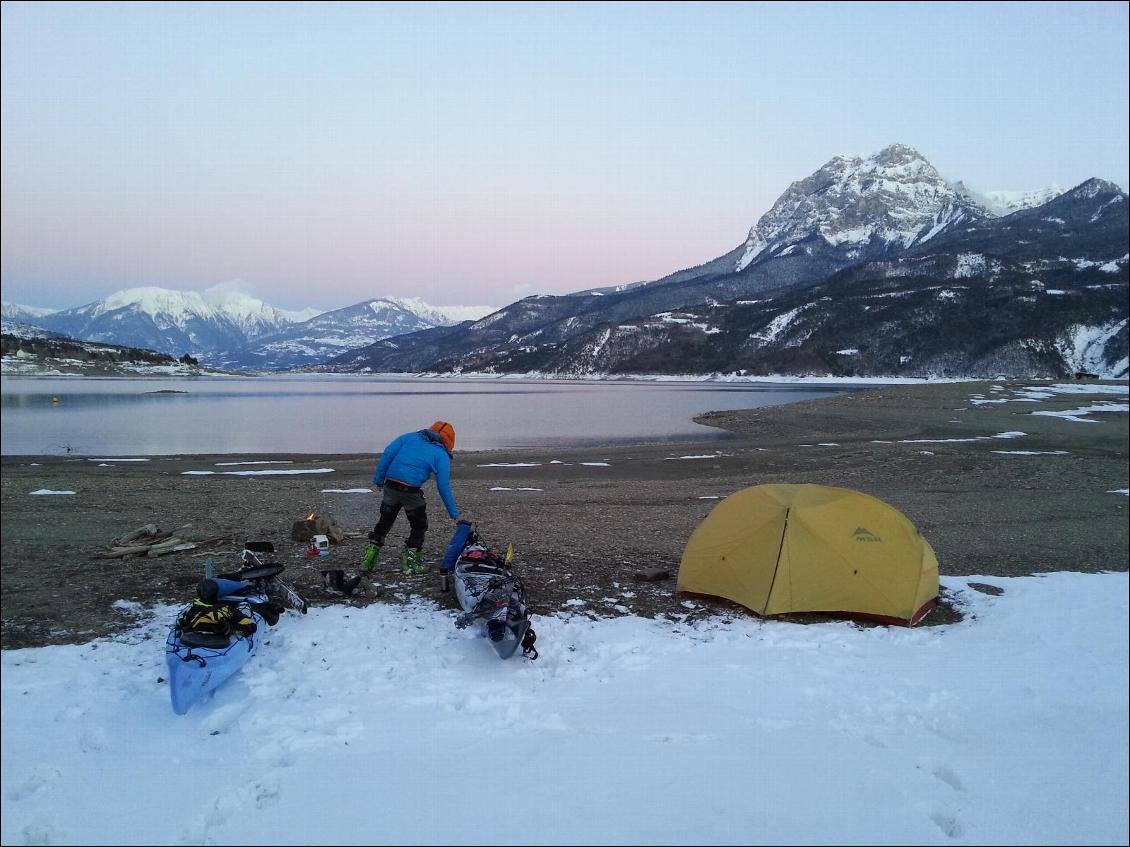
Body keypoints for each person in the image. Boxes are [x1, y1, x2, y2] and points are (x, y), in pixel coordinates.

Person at [363, 421, 460, 575]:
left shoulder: (409, 437)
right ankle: (410, 563)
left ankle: (369, 559)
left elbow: (388, 453)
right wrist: (454, 514)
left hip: (391, 485)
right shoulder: (441, 455)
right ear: (450, 441)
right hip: (411, 492)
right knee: (419, 526)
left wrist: (379, 479)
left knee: (385, 522)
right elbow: (443, 486)